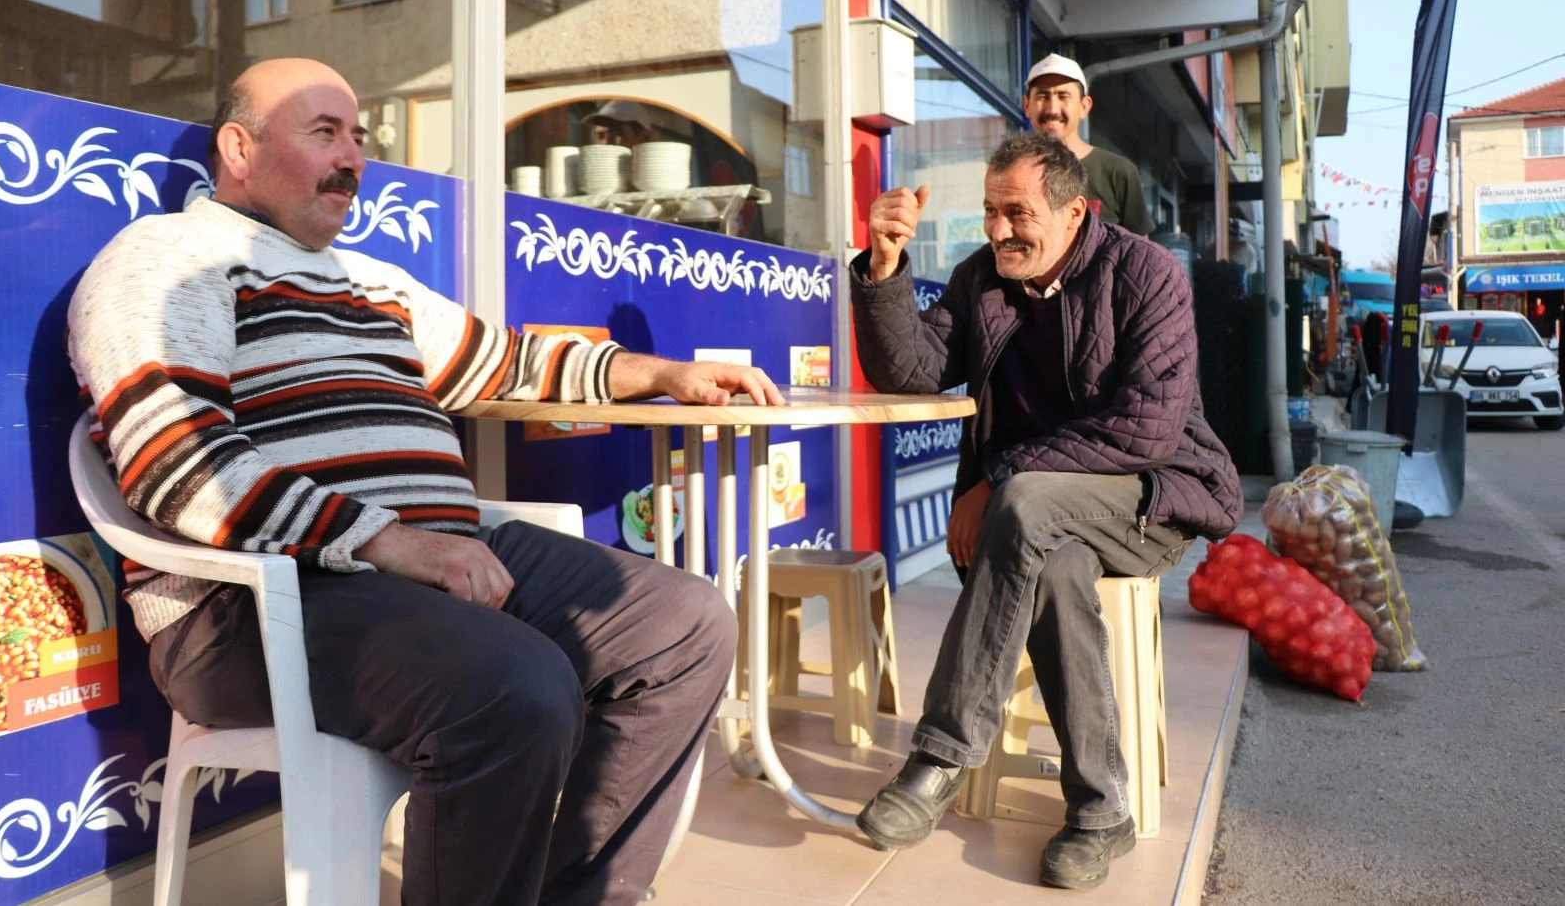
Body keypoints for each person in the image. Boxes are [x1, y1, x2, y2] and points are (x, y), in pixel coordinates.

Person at [66, 58, 786, 906]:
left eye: (359, 136)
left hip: (430, 563)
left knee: (687, 622)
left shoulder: (372, 280)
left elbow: (508, 358)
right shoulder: (168, 259)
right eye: (322, 131)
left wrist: (659, 372)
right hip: (253, 603)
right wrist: (397, 543)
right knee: (515, 688)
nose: (353, 158)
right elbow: (177, 464)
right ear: (239, 148)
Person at [848, 131, 1241, 890]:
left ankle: (940, 756)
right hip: (1041, 517)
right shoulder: (981, 278)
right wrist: (884, 268)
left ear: (1074, 212)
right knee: (1052, 563)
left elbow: (1148, 428)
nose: (998, 230)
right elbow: (915, 369)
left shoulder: (1146, 272)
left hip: (1150, 495)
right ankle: (1101, 811)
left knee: (1027, 504)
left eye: (1017, 212)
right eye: (990, 212)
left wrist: (1001, 478)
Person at [1022, 53, 1154, 237]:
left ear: (1084, 106)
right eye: (1043, 96)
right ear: (1026, 105)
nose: (1052, 109)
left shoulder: (1117, 171)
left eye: (1063, 96)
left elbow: (1141, 255)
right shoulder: (1014, 173)